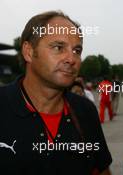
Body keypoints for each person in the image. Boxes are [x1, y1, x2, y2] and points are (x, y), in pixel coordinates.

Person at [0, 11, 112, 175]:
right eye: (58, 47)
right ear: (29, 52)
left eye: (77, 50)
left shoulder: (85, 111)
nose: (71, 59)